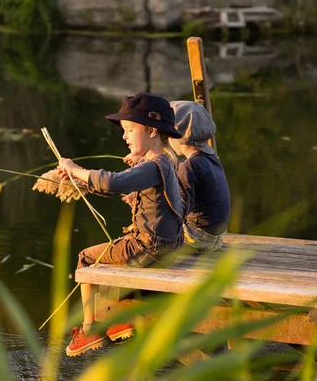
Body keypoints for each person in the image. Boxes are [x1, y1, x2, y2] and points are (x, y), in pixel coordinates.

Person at [57, 92, 184, 357]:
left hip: (147, 247)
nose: (124, 136)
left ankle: (90, 329)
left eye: (129, 129)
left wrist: (74, 168)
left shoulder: (154, 165)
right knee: (114, 251)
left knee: (87, 258)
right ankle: (120, 321)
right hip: (170, 246)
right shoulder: (166, 163)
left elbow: (112, 183)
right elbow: (124, 187)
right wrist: (85, 181)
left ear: (151, 131)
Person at [169, 101, 230, 253]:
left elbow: (179, 209)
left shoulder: (189, 167)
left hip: (197, 238)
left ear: (178, 135)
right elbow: (180, 164)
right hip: (215, 238)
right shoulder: (208, 158)